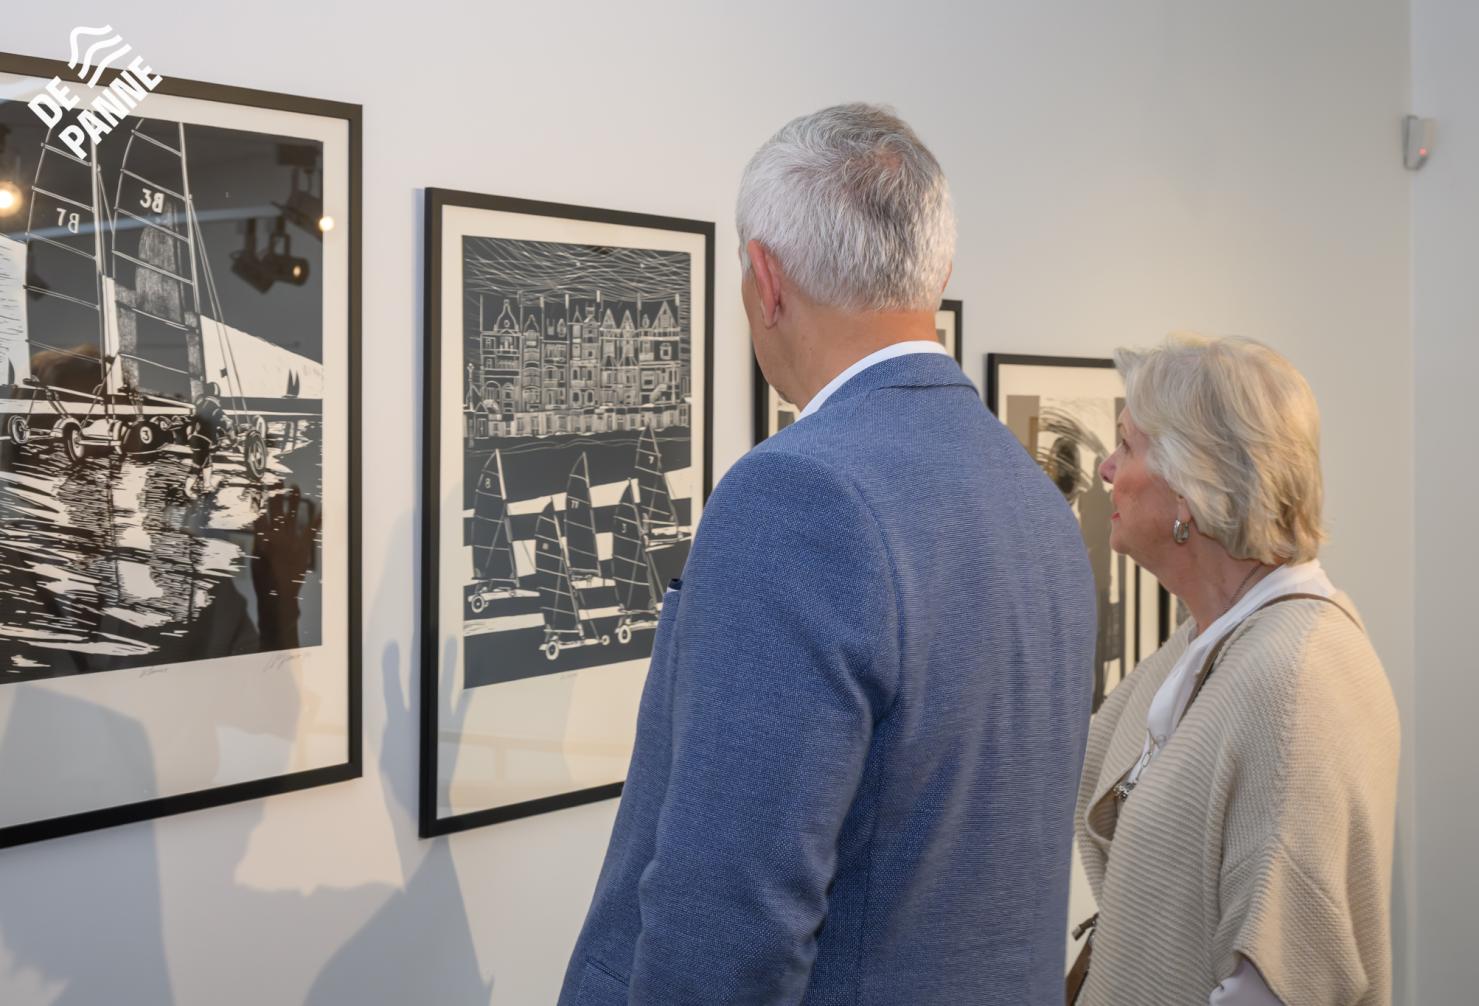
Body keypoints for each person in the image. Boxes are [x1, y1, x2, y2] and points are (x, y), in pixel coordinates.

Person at [559, 103, 1097, 1004]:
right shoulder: (1030, 493)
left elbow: (728, 921)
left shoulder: (797, 494)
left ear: (766, 282)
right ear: (936, 272)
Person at [1071, 336, 1400, 1005]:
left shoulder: (1296, 679)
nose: (1106, 469)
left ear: (1190, 489)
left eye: (1126, 445)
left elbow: (1280, 979)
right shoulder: (1208, 640)